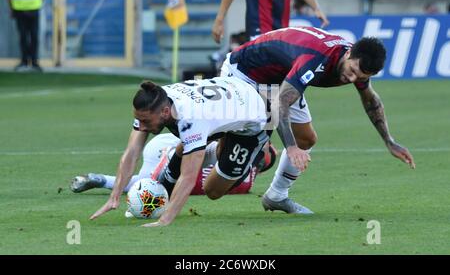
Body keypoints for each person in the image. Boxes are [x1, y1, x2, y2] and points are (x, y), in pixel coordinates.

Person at [220, 26, 416, 214]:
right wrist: (291, 147)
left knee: (306, 139)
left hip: (283, 79)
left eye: (360, 76)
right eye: (353, 70)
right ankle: (206, 148)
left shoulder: (356, 63)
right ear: (348, 54)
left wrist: (389, 141)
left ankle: (277, 196)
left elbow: (371, 100)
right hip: (245, 73)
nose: (353, 78)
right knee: (218, 188)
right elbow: (280, 104)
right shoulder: (315, 59)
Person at [90, 76, 271, 227]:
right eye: (138, 120)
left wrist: (165, 220)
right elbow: (131, 153)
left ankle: (257, 158)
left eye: (145, 121)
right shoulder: (156, 98)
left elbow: (188, 177)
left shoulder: (191, 119)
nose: (142, 126)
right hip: (225, 105)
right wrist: (113, 198)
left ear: (165, 112)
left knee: (213, 191)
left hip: (254, 120)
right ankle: (211, 147)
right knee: (187, 146)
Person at [70, 133, 276, 196]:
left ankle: (99, 180)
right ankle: (101, 180)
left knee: (146, 184)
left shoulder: (240, 174)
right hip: (172, 148)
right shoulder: (241, 182)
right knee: (148, 185)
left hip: (170, 150)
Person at [6, 0, 46, 72]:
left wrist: (40, 2)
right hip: (20, 9)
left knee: (34, 36)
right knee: (23, 36)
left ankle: (34, 62)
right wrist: (11, 7)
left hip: (34, 8)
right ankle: (24, 61)